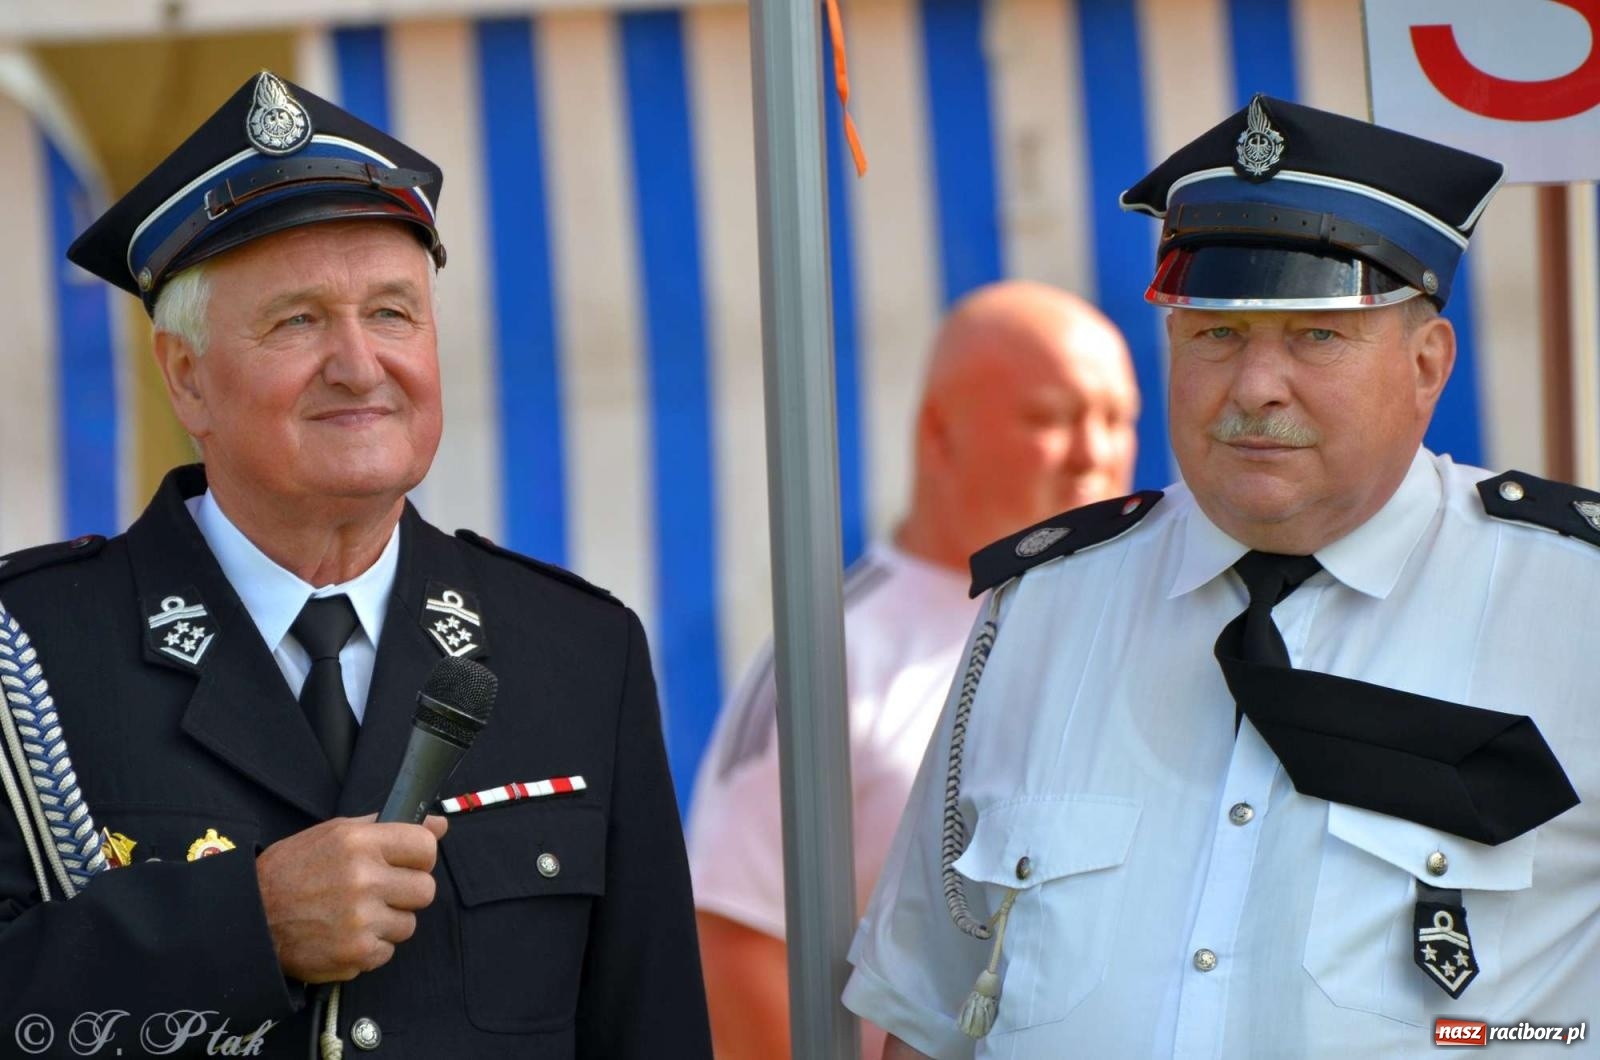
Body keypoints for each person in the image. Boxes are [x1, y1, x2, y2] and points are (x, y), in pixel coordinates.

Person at [845, 95, 1600, 1059]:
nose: (1255, 387)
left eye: (1316, 334)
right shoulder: (1041, 611)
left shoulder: (1574, 609)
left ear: (1427, 363)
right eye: (1217, 334)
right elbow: (932, 1014)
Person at [0, 72, 710, 1058]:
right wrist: (239, 927)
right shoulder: (28, 656)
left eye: (391, 313)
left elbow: (650, 1028)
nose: (358, 363)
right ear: (187, 376)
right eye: (297, 320)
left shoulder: (578, 655)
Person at [687, 281, 1140, 1058]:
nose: (1092, 455)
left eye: (1115, 418)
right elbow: (732, 941)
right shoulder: (831, 660)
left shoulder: (1152, 626)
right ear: (940, 433)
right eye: (1050, 418)